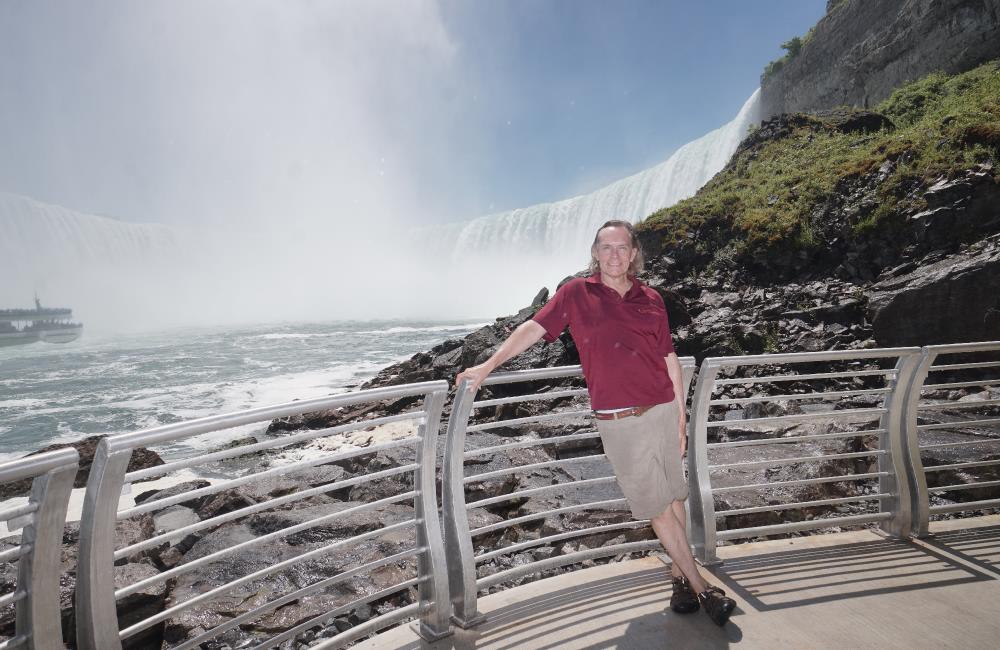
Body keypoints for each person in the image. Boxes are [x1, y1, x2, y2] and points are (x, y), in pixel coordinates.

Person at [455, 219, 737, 626]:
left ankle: (679, 581)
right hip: (620, 421)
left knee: (675, 497)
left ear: (634, 253)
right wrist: (487, 366)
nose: (614, 254)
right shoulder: (576, 293)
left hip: (662, 410)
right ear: (595, 253)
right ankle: (703, 589)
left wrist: (681, 416)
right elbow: (533, 329)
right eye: (607, 247)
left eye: (622, 247)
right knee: (657, 507)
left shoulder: (651, 298)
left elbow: (668, 358)